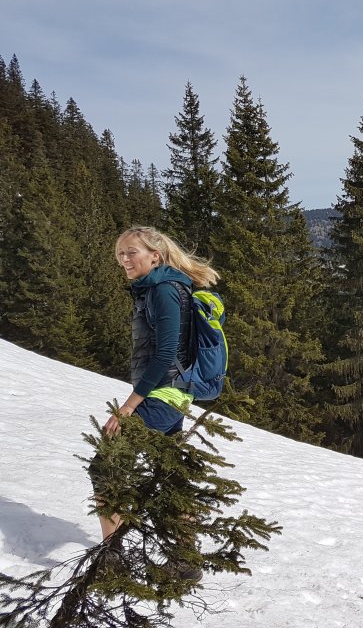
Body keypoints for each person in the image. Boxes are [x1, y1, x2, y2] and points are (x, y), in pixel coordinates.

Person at [94, 226, 219, 546]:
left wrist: (128, 406)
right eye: (120, 254)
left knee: (106, 467)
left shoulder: (164, 290)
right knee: (171, 475)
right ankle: (185, 557)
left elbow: (164, 355)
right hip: (171, 393)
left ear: (155, 256)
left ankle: (112, 555)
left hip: (162, 394)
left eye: (131, 252)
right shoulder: (160, 287)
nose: (124, 259)